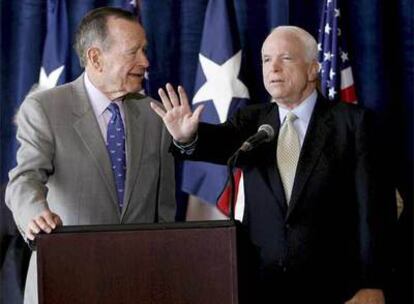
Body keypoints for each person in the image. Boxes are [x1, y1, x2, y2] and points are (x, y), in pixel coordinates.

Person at [151, 26, 395, 303]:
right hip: (263, 287)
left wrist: (372, 283)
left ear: (313, 69)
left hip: (336, 287)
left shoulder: (353, 123)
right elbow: (217, 142)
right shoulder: (252, 121)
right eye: (266, 59)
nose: (273, 68)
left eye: (286, 58)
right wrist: (188, 137)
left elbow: (374, 212)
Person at [5, 7, 176, 304]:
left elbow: (164, 213)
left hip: (139, 283)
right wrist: (35, 214)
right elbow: (23, 179)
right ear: (96, 58)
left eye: (144, 50)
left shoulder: (155, 116)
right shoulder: (46, 108)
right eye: (133, 52)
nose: (146, 62)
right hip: (66, 277)